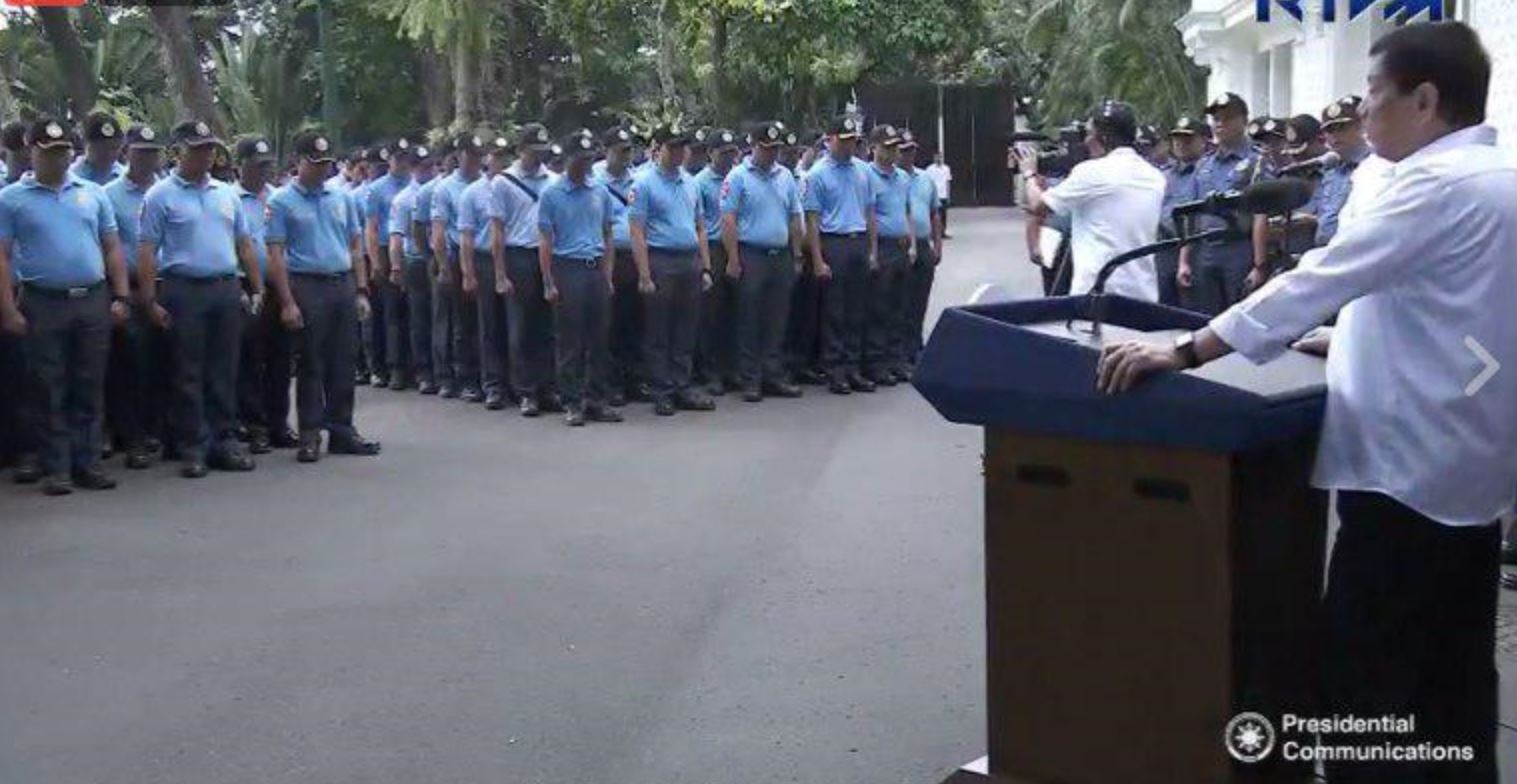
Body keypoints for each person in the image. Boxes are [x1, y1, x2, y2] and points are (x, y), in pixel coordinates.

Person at [1097, 23, 1511, 783]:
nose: (1362, 112)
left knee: (1369, 675)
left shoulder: (1435, 185)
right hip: (1468, 471)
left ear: (1423, 100)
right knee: (1452, 671)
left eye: (1372, 97)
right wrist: (1340, 339)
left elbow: (1317, 276)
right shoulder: (1497, 179)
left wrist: (1183, 351)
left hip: (1403, 474)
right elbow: (1446, 309)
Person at [0, 117, 131, 495]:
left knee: (89, 383)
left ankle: (87, 462)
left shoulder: (93, 193)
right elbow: (3, 257)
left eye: (63, 152)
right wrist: (8, 309)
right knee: (48, 385)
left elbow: (111, 247)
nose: (57, 159)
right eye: (48, 152)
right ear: (32, 152)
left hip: (91, 298)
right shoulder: (12, 199)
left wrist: (121, 296)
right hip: (43, 301)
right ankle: (57, 466)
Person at [138, 120, 263, 479]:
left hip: (224, 287)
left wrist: (256, 287)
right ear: (179, 151)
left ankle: (223, 440)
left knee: (224, 368)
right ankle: (193, 445)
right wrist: (149, 300)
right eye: (198, 148)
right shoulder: (160, 195)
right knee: (187, 371)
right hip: (183, 288)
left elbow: (244, 244)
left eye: (209, 148)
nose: (206, 154)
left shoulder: (226, 193)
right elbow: (147, 250)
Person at [264, 129, 382, 463]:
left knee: (344, 361)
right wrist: (287, 302)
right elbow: (275, 254)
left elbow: (356, 246)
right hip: (306, 283)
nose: (321, 169)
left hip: (341, 281)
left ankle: (343, 430)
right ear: (299, 162)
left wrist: (361, 289)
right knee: (311, 362)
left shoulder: (341, 198)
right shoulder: (281, 201)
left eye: (326, 163)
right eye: (315, 163)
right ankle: (310, 433)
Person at [1015, 100, 1164, 301]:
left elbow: (1038, 205)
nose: (1085, 141)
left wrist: (1029, 174)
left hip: (1098, 291)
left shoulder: (1091, 172)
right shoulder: (1154, 176)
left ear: (1102, 137)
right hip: (1142, 292)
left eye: (1089, 133)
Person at [629, 124, 716, 416]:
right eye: (673, 147)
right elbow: (637, 230)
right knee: (659, 329)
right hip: (660, 259)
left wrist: (705, 266)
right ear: (658, 148)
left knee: (685, 327)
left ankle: (681, 384)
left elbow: (701, 227)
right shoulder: (643, 183)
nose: (679, 153)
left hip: (688, 259)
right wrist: (643, 274)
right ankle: (662, 390)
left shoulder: (690, 182)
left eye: (682, 147)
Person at [538, 130, 622, 426]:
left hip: (595, 267)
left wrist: (608, 274)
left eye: (588, 159)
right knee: (570, 341)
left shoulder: (599, 191)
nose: (584, 165)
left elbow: (608, 234)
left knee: (599, 338)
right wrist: (548, 280)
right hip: (567, 266)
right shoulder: (551, 193)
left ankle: (596, 399)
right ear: (567, 159)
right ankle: (572, 402)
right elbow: (546, 240)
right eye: (579, 159)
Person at [721, 120, 805, 403]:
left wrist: (796, 254)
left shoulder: (785, 176)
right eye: (767, 148)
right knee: (749, 319)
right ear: (754, 146)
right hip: (751, 254)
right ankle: (750, 378)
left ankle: (773, 373)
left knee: (777, 318)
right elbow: (728, 219)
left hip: (779, 255)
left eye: (776, 149)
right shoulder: (737, 177)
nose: (772, 154)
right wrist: (733, 259)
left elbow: (795, 216)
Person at [101, 124, 167, 469]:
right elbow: (108, 247)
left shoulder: (167, 190)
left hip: (168, 285)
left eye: (153, 152)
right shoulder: (109, 195)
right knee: (132, 365)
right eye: (141, 152)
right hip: (130, 286)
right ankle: (133, 436)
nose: (148, 159)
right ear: (127, 153)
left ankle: (161, 430)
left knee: (165, 362)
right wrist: (124, 294)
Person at [803, 115, 879, 396]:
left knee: (857, 309)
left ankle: (853, 368)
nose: (848, 147)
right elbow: (812, 220)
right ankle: (835, 370)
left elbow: (870, 213)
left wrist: (872, 251)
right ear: (829, 140)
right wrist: (818, 260)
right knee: (835, 311)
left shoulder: (863, 171)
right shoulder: (817, 174)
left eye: (852, 142)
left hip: (858, 240)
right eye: (843, 141)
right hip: (833, 242)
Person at [490, 123, 560, 417]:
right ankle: (526, 391)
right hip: (518, 255)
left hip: (550, 255)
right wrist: (500, 274)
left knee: (548, 326)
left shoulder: (554, 181)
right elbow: (497, 231)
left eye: (543, 151)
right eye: (534, 151)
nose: (540, 157)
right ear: (521, 151)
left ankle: (547, 387)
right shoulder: (503, 183)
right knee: (521, 327)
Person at [231, 134, 295, 455]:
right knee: (251, 360)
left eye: (268, 165)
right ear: (240, 165)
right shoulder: (228, 198)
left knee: (280, 359)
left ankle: (278, 423)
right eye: (257, 166)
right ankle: (254, 426)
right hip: (244, 287)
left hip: (278, 285)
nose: (264, 171)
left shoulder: (279, 198)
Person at [1176, 92, 1263, 315]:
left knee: (1239, 318)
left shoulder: (1257, 161)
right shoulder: (1204, 165)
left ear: (1243, 121)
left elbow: (1261, 215)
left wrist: (1260, 264)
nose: (1220, 124)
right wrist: (1184, 261)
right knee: (1204, 318)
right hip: (1205, 250)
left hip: (1239, 248)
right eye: (1216, 119)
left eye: (1227, 118)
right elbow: (1191, 216)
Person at [431, 133, 485, 403]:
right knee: (456, 322)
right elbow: (438, 231)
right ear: (459, 155)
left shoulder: (489, 184)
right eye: (471, 155)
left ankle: (480, 375)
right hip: (454, 256)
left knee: (481, 321)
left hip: (481, 257)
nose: (476, 161)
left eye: (479, 156)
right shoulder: (445, 188)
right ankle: (454, 377)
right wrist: (442, 266)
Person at [594, 125, 645, 407]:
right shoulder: (594, 179)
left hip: (635, 258)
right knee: (608, 324)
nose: (627, 156)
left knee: (635, 321)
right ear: (607, 151)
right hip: (608, 258)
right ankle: (610, 383)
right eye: (621, 151)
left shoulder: (638, 179)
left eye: (630, 150)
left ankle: (634, 379)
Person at [863, 124, 915, 387]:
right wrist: (872, 253)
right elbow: (869, 216)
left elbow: (907, 212)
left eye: (895, 147)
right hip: (881, 246)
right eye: (887, 147)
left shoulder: (902, 177)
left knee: (899, 307)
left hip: (901, 246)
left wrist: (913, 243)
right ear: (874, 148)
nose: (893, 152)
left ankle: (897, 359)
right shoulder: (867, 176)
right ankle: (877, 362)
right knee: (879, 308)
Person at [388, 142, 439, 395]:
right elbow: (397, 236)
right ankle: (423, 372)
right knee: (419, 319)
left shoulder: (438, 189)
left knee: (439, 317)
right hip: (417, 261)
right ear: (412, 168)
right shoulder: (404, 199)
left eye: (429, 165)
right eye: (421, 166)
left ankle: (440, 368)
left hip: (437, 258)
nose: (426, 170)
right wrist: (396, 266)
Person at [693, 128, 741, 395]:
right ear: (710, 153)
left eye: (731, 153)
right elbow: (698, 223)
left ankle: (731, 368)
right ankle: (711, 372)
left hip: (735, 246)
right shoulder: (700, 182)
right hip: (712, 246)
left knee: (735, 312)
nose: (728, 159)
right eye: (722, 154)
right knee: (712, 314)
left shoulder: (738, 178)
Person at [365, 137, 415, 391]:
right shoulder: (377, 189)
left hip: (410, 249)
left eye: (407, 159)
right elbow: (372, 228)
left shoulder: (414, 185)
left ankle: (410, 364)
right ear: (390, 160)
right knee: (389, 310)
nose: (403, 164)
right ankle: (389, 366)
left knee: (410, 310)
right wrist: (375, 260)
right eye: (398, 159)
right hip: (386, 248)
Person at [898, 129, 941, 378]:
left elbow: (935, 213)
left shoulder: (925, 179)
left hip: (923, 244)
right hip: (901, 245)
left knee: (919, 299)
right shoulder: (891, 178)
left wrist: (938, 244)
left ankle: (916, 346)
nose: (908, 154)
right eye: (903, 151)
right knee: (901, 300)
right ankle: (901, 351)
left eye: (911, 149)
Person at [1156, 117, 1209, 308]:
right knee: (1163, 307)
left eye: (1187, 139)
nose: (1180, 144)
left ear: (1202, 141)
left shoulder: (1206, 171)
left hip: (1193, 248)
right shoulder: (1165, 174)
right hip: (1163, 247)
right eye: (1176, 138)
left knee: (1191, 308)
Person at [1309, 96, 1371, 248]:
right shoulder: (1330, 170)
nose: (1335, 136)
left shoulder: (1376, 167)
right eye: (1330, 130)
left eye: (1342, 128)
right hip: (1326, 253)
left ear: (1362, 126)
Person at [70, 112, 126, 186]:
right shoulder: (71, 177)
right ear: (86, 143)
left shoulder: (125, 178)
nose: (109, 154)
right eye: (103, 148)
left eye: (115, 148)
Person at [924, 151, 952, 237]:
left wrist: (948, 195)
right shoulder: (929, 169)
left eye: (940, 157)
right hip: (933, 195)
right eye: (937, 157)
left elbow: (947, 182)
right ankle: (933, 232)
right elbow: (927, 182)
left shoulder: (946, 168)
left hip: (943, 194)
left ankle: (942, 232)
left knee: (943, 215)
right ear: (934, 158)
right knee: (933, 214)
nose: (938, 159)